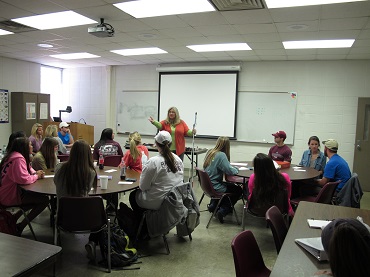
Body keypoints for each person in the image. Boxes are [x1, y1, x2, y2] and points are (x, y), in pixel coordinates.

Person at [53, 140, 98, 261]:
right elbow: (87, 190)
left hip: (63, 218)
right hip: (85, 220)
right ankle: (92, 243)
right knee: (101, 212)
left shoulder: (59, 167)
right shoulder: (90, 172)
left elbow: (56, 183)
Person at [129, 131, 184, 222]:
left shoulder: (153, 162)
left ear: (156, 144)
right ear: (170, 144)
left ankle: (145, 225)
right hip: (174, 200)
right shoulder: (178, 159)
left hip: (157, 201)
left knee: (133, 196)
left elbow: (143, 187)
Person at [0, 137, 49, 235]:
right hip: (9, 196)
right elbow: (23, 179)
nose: (32, 146)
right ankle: (20, 227)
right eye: (30, 145)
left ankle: (14, 218)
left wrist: (35, 173)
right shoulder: (18, 159)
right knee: (44, 200)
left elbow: (28, 169)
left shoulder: (12, 156)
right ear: (24, 148)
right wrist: (36, 176)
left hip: (4, 193)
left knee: (34, 201)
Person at [203, 136, 242, 223]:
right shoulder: (221, 155)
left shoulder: (210, 152)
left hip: (207, 186)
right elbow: (230, 171)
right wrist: (236, 168)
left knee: (229, 186)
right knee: (238, 190)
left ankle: (213, 206)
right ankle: (223, 210)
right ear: (227, 146)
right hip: (215, 187)